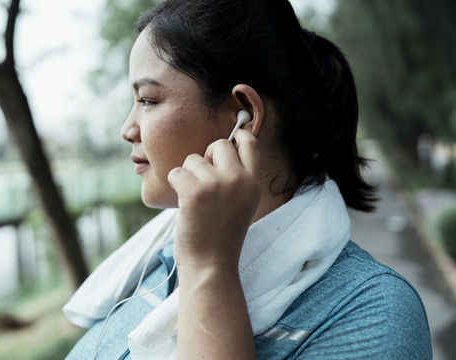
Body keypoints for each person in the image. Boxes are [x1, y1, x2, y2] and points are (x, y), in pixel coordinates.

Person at [63, 0, 432, 358]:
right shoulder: (158, 263)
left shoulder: (373, 312)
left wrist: (209, 268)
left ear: (243, 115)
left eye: (147, 100)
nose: (127, 129)